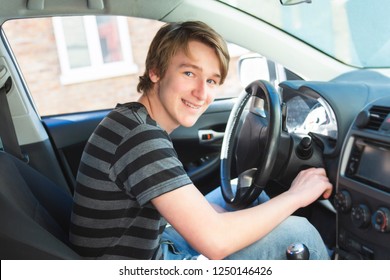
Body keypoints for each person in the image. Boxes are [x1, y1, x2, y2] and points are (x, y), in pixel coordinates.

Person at [69, 21, 332, 260]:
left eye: (211, 80)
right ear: (155, 71)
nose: (201, 93)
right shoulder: (141, 139)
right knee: (301, 233)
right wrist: (297, 196)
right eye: (189, 74)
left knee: (249, 196)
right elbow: (216, 242)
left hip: (149, 245)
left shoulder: (129, 120)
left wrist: (221, 220)